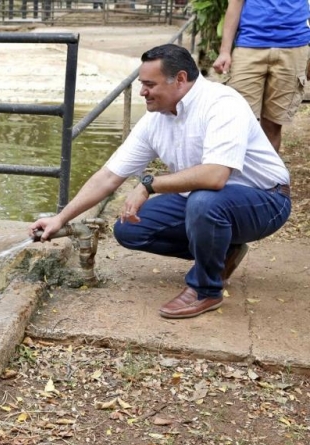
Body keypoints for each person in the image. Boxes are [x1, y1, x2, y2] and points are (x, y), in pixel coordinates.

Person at [30, 44, 291, 319]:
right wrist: (60, 219)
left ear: (179, 79)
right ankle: (222, 250)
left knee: (205, 201)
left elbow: (215, 176)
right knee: (130, 228)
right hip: (208, 203)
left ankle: (205, 290)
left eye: (149, 84)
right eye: (142, 84)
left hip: (267, 200)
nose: (142, 91)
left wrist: (148, 184)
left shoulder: (222, 104)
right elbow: (108, 176)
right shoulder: (156, 119)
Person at [212, 0, 310, 153]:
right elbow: (235, 4)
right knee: (239, 120)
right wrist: (225, 51)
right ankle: (238, 174)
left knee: (273, 124)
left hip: (294, 47)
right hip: (249, 47)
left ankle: (266, 174)